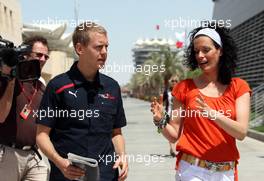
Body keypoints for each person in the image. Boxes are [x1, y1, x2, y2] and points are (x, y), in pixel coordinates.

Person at [151, 24, 251, 181]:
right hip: (192, 171)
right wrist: (160, 121)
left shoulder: (239, 87)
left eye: (206, 50)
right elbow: (173, 136)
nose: (200, 56)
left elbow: (241, 132)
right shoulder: (184, 87)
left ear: (221, 51)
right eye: (196, 52)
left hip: (225, 173)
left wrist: (212, 114)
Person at [36, 22, 128, 181]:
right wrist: (60, 163)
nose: (104, 52)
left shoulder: (112, 87)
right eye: (99, 47)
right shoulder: (57, 87)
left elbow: (116, 133)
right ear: (80, 49)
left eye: (107, 47)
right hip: (68, 176)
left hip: (106, 175)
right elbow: (42, 135)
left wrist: (122, 156)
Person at [0, 36, 50, 180]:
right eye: (39, 55)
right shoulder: (7, 80)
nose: (42, 59)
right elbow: (1, 115)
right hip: (8, 154)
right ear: (25, 55)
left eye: (46, 56)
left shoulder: (41, 87)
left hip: (34, 155)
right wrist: (11, 79)